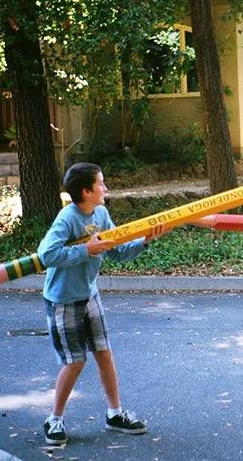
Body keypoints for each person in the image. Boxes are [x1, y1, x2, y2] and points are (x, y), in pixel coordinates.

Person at [38, 162, 161, 445]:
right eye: (101, 184)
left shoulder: (102, 214)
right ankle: (54, 419)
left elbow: (117, 252)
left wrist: (144, 241)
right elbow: (47, 255)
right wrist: (86, 249)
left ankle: (115, 413)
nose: (105, 188)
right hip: (63, 300)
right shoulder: (67, 218)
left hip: (89, 295)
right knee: (75, 361)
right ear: (86, 191)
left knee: (104, 353)